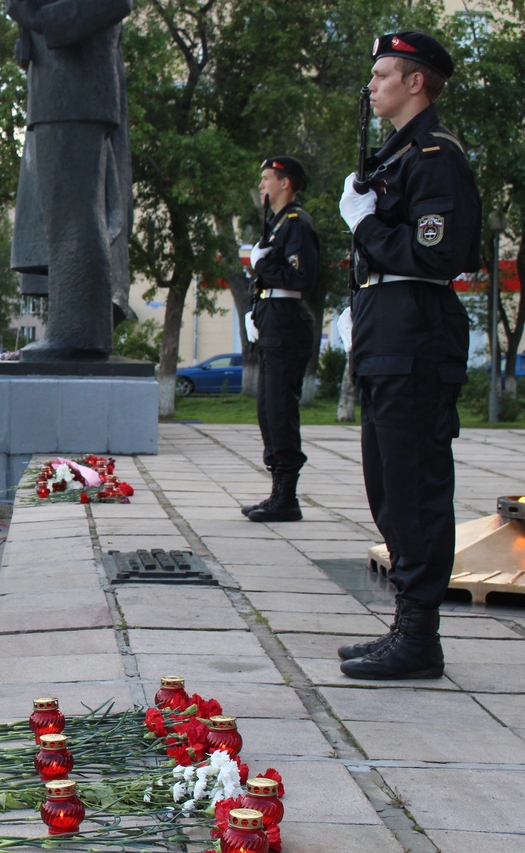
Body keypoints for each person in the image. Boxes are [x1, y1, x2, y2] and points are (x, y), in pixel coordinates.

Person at [335, 32, 481, 681]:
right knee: (386, 482)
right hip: (386, 328)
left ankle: (420, 636)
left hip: (417, 332)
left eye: (384, 75)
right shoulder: (394, 157)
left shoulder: (434, 157)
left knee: (415, 483)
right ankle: (405, 624)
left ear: (416, 82)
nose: (373, 86)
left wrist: (365, 224)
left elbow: (437, 254)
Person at [6, 0, 133, 359]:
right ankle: (72, 330)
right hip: (58, 95)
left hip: (76, 94)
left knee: (74, 215)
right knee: (63, 217)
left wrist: (36, 17)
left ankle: (78, 334)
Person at [242, 156, 319, 524]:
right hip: (273, 318)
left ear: (286, 183)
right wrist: (255, 311)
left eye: (267, 178)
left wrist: (262, 265)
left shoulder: (296, 223)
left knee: (280, 411)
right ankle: (278, 493)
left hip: (287, 322)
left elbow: (301, 277)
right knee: (268, 411)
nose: (262, 186)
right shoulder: (276, 224)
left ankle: (286, 498)